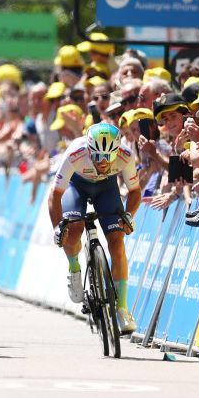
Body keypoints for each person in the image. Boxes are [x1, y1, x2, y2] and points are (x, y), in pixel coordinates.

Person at [49, 123, 140, 334]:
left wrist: (128, 216)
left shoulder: (125, 155)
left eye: (108, 157)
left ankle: (123, 308)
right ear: (89, 150)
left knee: (117, 243)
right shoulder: (75, 153)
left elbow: (135, 191)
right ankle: (73, 267)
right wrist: (57, 227)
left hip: (107, 189)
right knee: (72, 231)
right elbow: (55, 195)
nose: (103, 162)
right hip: (76, 186)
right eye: (98, 157)